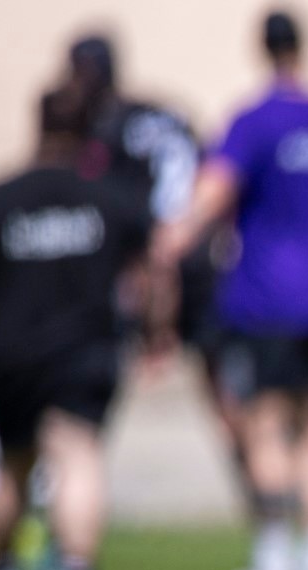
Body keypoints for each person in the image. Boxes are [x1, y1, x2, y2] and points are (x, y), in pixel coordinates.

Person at [156, 10, 308, 570]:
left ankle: (274, 569)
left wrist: (170, 241)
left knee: (267, 427)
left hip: (270, 297)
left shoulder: (253, 122)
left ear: (261, 49)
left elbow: (213, 194)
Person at [0, 86, 153, 570]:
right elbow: (149, 271)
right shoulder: (109, 197)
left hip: (13, 354)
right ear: (89, 132)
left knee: (14, 465)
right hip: (86, 350)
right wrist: (154, 329)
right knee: (76, 453)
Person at [65, 34, 255, 525]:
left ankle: (68, 517)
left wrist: (154, 318)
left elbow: (124, 223)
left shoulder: (104, 128)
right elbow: (213, 183)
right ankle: (269, 518)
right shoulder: (170, 113)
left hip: (155, 269)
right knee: (228, 402)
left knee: (84, 410)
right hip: (203, 262)